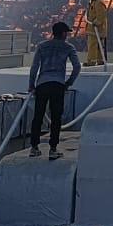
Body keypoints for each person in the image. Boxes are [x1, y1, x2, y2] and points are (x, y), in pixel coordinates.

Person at [28, 21, 80, 159]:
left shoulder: (42, 46)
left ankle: (34, 147)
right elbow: (77, 67)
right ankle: (53, 149)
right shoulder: (68, 47)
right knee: (56, 117)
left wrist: (31, 85)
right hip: (58, 84)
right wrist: (69, 83)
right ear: (63, 34)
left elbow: (34, 67)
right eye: (66, 33)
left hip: (42, 84)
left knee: (38, 116)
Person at [82, 0, 108, 67]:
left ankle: (91, 61)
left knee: (92, 45)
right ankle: (100, 60)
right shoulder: (93, 3)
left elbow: (101, 15)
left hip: (96, 29)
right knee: (98, 46)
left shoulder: (98, 3)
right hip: (95, 29)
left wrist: (96, 23)